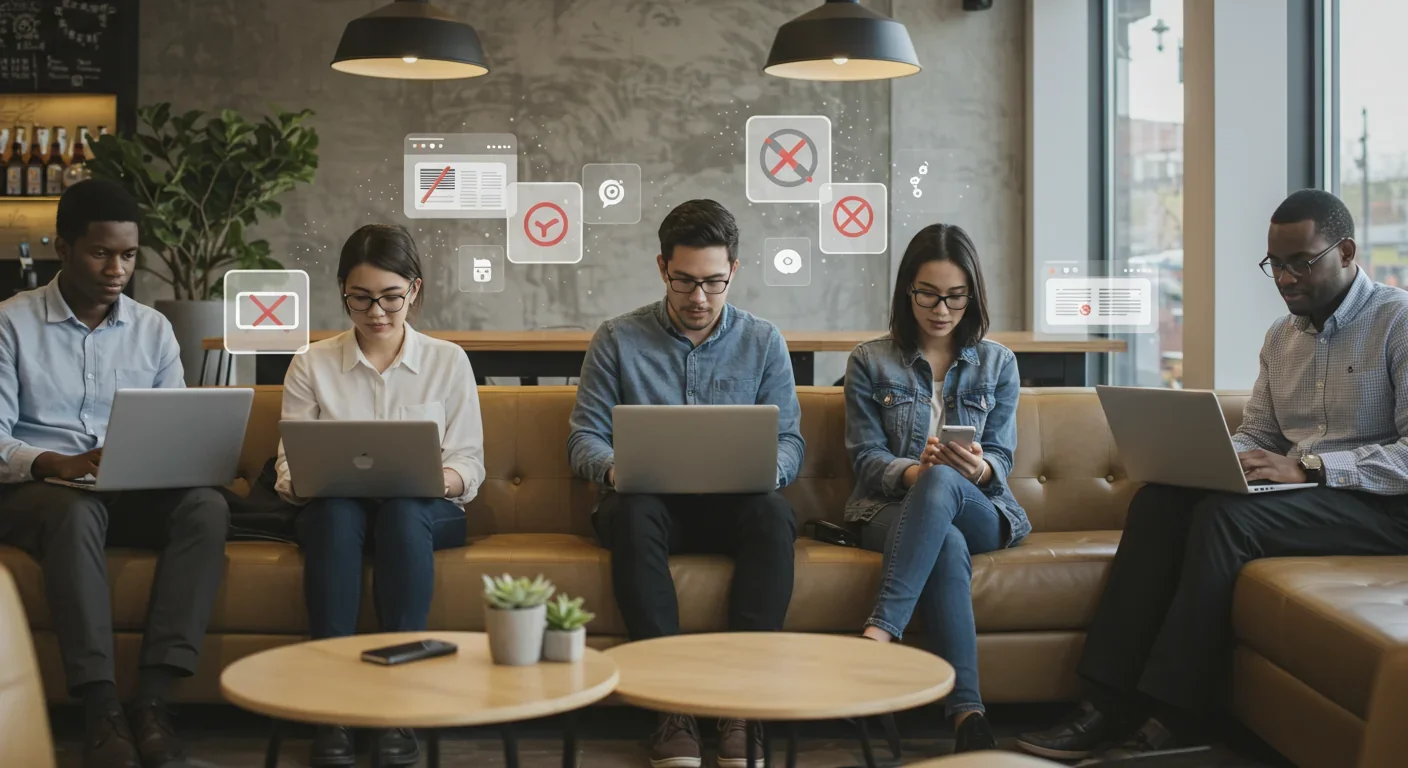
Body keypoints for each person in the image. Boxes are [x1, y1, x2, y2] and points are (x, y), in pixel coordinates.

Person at [1017, 189, 1408, 763]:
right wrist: (1213, 458)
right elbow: (1260, 434)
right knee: (1159, 503)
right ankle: (1104, 702)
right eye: (1274, 263)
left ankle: (1174, 716)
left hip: (1382, 507)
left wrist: (1311, 466)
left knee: (1226, 521)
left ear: (1346, 251)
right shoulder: (1282, 337)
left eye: (1300, 262)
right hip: (1306, 496)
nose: (1284, 278)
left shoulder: (1397, 322)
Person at [0, 180, 230, 768]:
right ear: (63, 247)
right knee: (74, 510)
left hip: (127, 486)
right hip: (41, 490)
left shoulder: (153, 329)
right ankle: (100, 708)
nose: (117, 269)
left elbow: (175, 423)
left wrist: (171, 461)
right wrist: (56, 463)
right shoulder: (11, 324)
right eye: (101, 252)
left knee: (206, 507)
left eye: (128, 255)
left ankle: (154, 701)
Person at [568, 199, 804, 768]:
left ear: (735, 273)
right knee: (631, 508)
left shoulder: (764, 340)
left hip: (732, 507)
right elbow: (583, 440)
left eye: (714, 282)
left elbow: (791, 443)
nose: (699, 297)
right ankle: (670, 706)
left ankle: (741, 707)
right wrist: (616, 469)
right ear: (661, 268)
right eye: (686, 281)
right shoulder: (617, 339)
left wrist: (763, 469)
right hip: (648, 508)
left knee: (774, 513)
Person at [277, 224, 485, 768]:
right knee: (334, 513)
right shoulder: (311, 363)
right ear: (342, 290)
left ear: (414, 290)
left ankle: (399, 703)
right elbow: (286, 464)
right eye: (361, 298)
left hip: (426, 512)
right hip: (337, 512)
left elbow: (470, 465)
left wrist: (431, 479)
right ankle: (332, 707)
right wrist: (304, 478)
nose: (376, 312)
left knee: (401, 511)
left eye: (391, 297)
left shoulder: (448, 361)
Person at [843, 224, 1029, 753]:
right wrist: (911, 473)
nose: (941, 308)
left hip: (982, 506)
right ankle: (968, 714)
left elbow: (1002, 458)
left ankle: (881, 632)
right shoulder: (869, 361)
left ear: (972, 296)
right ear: (908, 291)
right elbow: (865, 457)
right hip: (890, 507)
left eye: (955, 296)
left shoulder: (998, 363)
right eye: (928, 294)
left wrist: (975, 469)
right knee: (942, 538)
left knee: (946, 479)